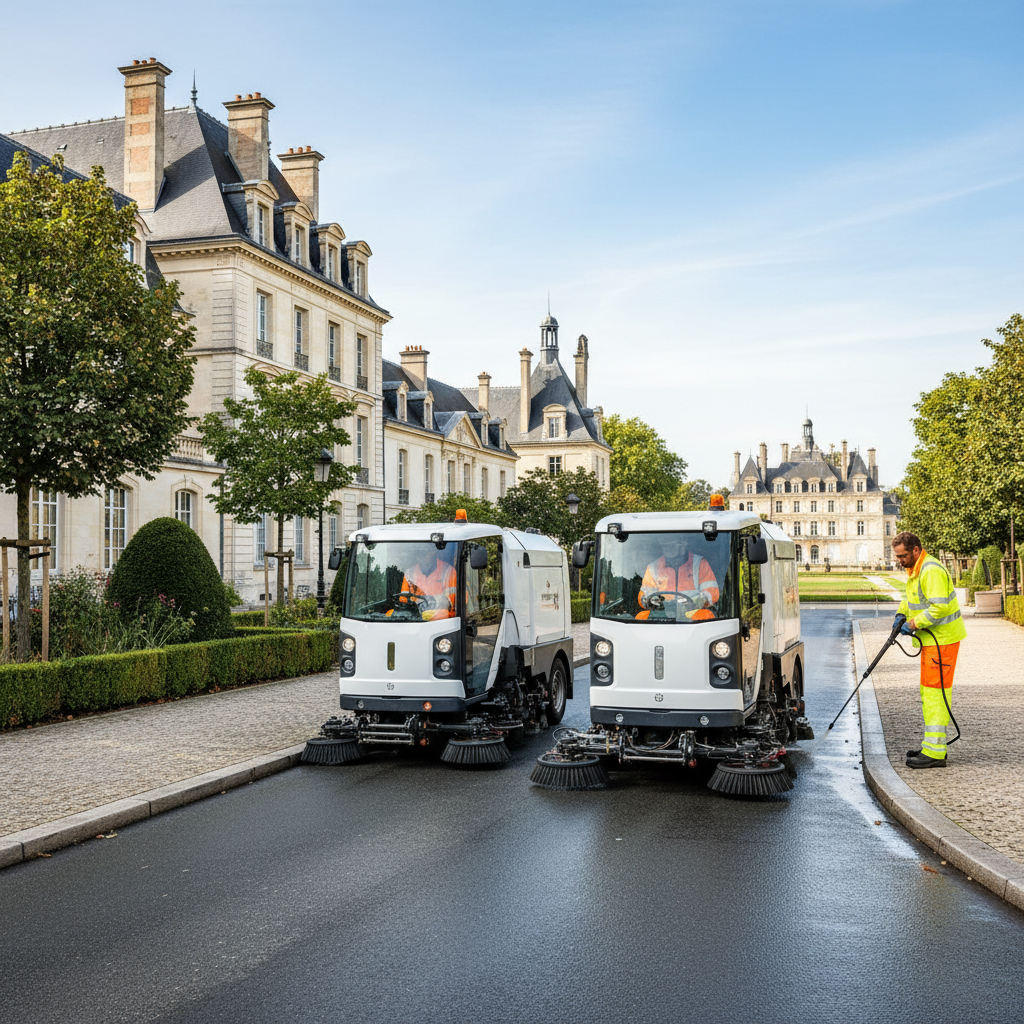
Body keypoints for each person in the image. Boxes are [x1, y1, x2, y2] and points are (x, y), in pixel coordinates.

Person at [892, 531, 967, 769]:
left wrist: (913, 624)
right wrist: (901, 614)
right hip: (933, 642)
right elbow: (912, 598)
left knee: (935, 695)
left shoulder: (930, 570)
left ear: (915, 550)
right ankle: (931, 747)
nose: (900, 561)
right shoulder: (915, 569)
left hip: (942, 641)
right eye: (897, 557)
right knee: (929, 694)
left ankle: (935, 753)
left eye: (903, 556)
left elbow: (940, 608)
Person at [636, 534, 720, 621]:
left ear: (683, 544)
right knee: (641, 616)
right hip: (662, 614)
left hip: (691, 613)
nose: (667, 547)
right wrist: (650, 600)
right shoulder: (654, 567)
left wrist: (694, 601)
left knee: (706, 615)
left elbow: (711, 593)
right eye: (664, 545)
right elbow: (645, 594)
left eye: (671, 544)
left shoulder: (699, 563)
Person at [394, 546, 457, 621]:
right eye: (418, 553)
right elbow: (403, 601)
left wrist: (445, 614)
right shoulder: (409, 573)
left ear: (433, 552)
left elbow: (454, 604)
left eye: (425, 553)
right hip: (415, 619)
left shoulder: (447, 571)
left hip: (441, 621)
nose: (421, 556)